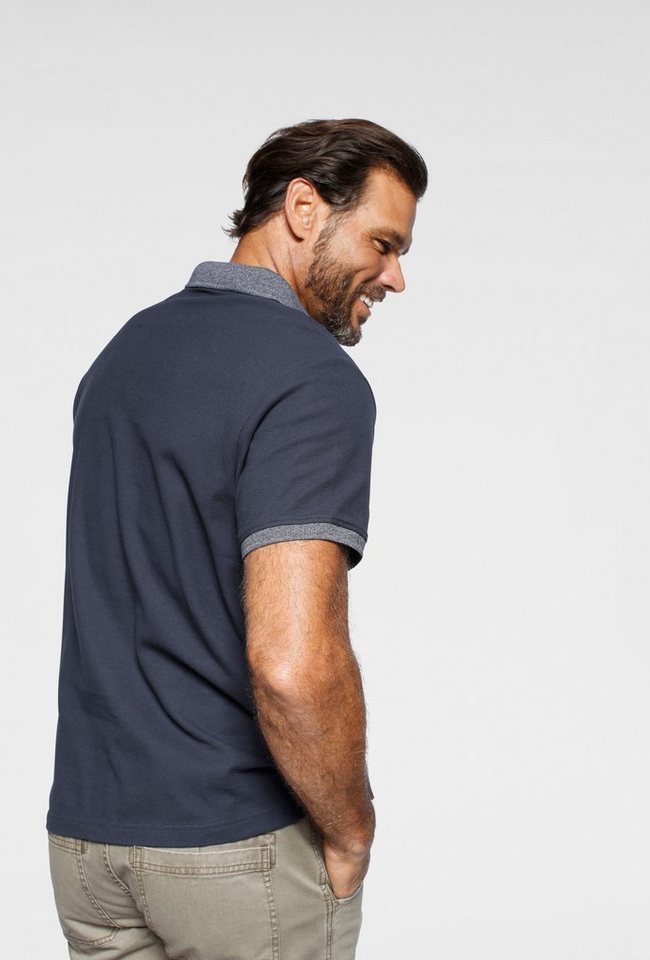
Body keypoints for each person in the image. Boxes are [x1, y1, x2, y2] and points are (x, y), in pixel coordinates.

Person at [47, 118, 427, 960]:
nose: (396, 277)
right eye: (384, 243)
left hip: (88, 842)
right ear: (303, 208)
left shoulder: (124, 355)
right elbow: (293, 663)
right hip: (232, 850)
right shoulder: (311, 378)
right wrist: (352, 827)